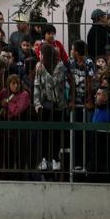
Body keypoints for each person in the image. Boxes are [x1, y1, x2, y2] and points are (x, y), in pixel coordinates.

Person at [33, 43, 67, 171]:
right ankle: (43, 159)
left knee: (56, 133)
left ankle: (55, 159)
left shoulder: (60, 66)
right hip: (44, 104)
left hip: (57, 105)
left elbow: (54, 83)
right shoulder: (39, 67)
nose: (39, 56)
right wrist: (37, 103)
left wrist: (44, 72)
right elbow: (36, 85)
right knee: (44, 133)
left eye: (41, 54)